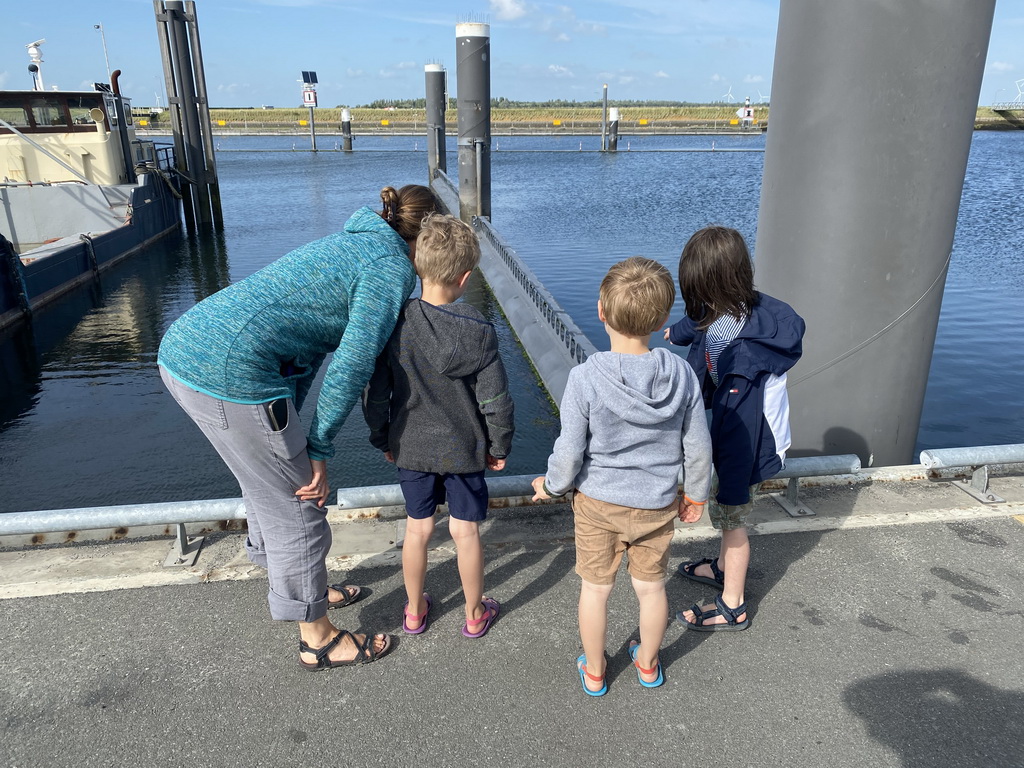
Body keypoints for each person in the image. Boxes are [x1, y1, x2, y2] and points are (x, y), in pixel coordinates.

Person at [157, 184, 440, 670]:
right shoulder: (390, 267)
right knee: (301, 502)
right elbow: (352, 364)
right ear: (425, 238)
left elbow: (303, 351)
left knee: (266, 485)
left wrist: (295, 432)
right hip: (229, 370)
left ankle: (297, 584)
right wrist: (319, 447)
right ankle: (317, 636)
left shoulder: (352, 242)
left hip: (188, 348)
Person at [531, 257, 712, 696]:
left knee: (596, 591)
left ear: (601, 312)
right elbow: (698, 444)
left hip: (598, 506)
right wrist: (698, 494)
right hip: (657, 504)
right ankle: (648, 665)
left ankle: (595, 670)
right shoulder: (681, 373)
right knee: (651, 589)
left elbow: (570, 450)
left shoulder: (585, 378)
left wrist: (551, 486)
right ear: (664, 318)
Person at [363, 213, 514, 639]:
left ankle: (413, 611)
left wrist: (381, 436)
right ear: (465, 277)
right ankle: (473, 614)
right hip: (464, 449)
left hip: (410, 445)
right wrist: (498, 446)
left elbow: (377, 394)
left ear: (418, 265)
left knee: (418, 529)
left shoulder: (397, 324)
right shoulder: (480, 332)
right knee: (465, 532)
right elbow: (496, 399)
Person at [665, 225, 805, 632]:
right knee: (728, 521)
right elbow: (704, 321)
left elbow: (738, 428)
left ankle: (733, 604)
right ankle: (723, 566)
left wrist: (730, 486)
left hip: (749, 447)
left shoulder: (742, 360)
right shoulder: (746, 307)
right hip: (751, 430)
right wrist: (679, 331)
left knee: (733, 521)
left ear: (708, 288)